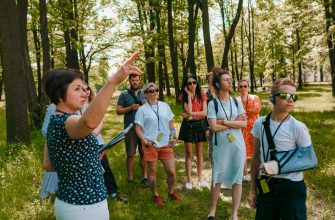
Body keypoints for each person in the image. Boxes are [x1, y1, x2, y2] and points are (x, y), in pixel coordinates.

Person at [42, 52, 141, 220]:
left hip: (70, 203)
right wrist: (113, 81)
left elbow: (48, 164)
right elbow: (88, 123)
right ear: (60, 96)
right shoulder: (69, 120)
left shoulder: (54, 120)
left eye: (84, 88)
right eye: (77, 89)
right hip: (84, 207)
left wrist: (89, 157)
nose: (84, 93)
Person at [249, 78, 311, 219]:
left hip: (291, 189)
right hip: (266, 185)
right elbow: (256, 156)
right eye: (285, 96)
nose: (290, 100)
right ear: (272, 99)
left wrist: (278, 166)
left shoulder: (298, 127)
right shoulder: (260, 123)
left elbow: (309, 158)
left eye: (294, 97)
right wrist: (252, 189)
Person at [207, 67, 246, 220]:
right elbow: (213, 127)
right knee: (217, 177)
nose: (230, 81)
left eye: (231, 79)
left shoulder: (237, 102)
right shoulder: (213, 104)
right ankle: (212, 210)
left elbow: (244, 124)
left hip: (238, 146)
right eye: (226, 79)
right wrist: (232, 123)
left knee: (237, 178)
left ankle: (234, 214)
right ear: (218, 84)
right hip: (221, 147)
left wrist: (223, 121)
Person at [134, 83, 181, 206]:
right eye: (151, 91)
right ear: (146, 94)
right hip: (151, 145)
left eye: (156, 90)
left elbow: (170, 124)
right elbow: (137, 128)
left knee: (171, 172)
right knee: (152, 174)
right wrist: (144, 141)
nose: (154, 92)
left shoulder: (165, 106)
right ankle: (155, 195)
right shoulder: (142, 109)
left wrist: (174, 136)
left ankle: (171, 192)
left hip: (165, 144)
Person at [82, 84, 128, 203]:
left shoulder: (95, 105)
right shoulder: (76, 107)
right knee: (89, 170)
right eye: (82, 89)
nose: (86, 91)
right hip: (83, 143)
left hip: (97, 142)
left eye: (87, 88)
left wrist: (93, 135)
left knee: (105, 167)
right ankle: (94, 194)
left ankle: (113, 192)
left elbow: (100, 123)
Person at [116, 74, 148, 185]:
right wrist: (130, 108)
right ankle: (130, 178)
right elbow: (118, 111)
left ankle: (145, 177)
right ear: (129, 81)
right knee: (130, 154)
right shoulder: (124, 95)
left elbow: (153, 107)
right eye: (133, 80)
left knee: (144, 153)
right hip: (130, 129)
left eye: (137, 80)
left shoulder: (145, 93)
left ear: (140, 81)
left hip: (144, 128)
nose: (135, 82)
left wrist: (147, 104)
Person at [178, 74, 208, 189]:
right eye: (189, 83)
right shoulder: (183, 96)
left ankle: (200, 179)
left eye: (194, 82)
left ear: (197, 83)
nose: (192, 85)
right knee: (189, 154)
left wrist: (191, 114)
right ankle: (189, 180)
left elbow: (204, 113)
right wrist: (190, 96)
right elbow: (189, 109)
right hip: (188, 125)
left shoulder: (203, 95)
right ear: (186, 85)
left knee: (200, 154)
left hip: (200, 125)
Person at [236, 80, 261, 181]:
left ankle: (256, 171)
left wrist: (243, 112)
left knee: (256, 150)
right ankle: (246, 174)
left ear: (248, 87)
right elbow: (235, 114)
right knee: (243, 151)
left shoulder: (255, 97)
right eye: (240, 86)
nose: (243, 88)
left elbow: (257, 110)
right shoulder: (235, 100)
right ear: (238, 88)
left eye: (245, 86)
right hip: (241, 129)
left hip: (255, 127)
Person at [39, 103, 58, 199]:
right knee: (52, 170)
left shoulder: (78, 105)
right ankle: (47, 193)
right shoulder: (52, 107)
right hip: (56, 144)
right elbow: (44, 129)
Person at [205, 72, 217, 166]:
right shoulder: (205, 95)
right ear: (207, 81)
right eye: (210, 79)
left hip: (222, 123)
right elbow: (204, 113)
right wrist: (206, 127)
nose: (212, 80)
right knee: (212, 145)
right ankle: (214, 166)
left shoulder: (220, 92)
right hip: (210, 124)